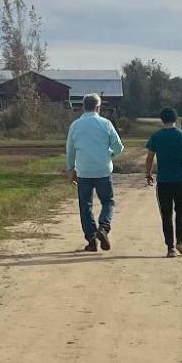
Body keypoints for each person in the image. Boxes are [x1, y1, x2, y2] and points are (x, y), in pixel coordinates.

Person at [65, 93, 124, 252]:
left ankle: (91, 240)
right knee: (107, 201)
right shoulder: (106, 124)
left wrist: (71, 169)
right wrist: (109, 153)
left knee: (85, 205)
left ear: (83, 107)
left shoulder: (75, 125)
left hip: (83, 171)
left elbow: (70, 150)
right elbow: (118, 147)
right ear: (98, 107)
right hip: (103, 170)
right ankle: (104, 227)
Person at [144, 107, 182, 257]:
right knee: (180, 211)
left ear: (162, 119)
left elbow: (149, 159)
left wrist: (148, 174)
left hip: (163, 181)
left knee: (166, 214)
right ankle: (180, 241)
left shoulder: (156, 137)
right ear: (175, 119)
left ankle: (170, 248)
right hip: (180, 180)